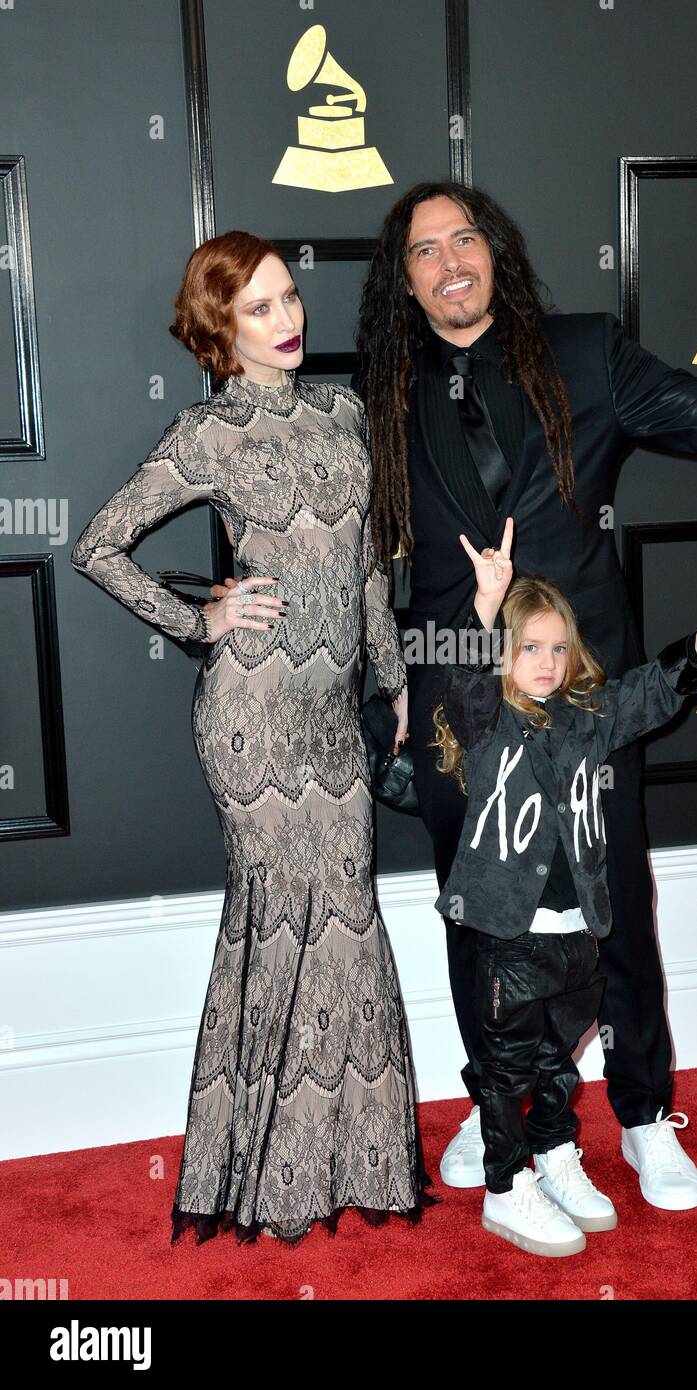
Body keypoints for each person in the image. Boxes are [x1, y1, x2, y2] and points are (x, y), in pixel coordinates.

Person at [346, 180, 697, 1208]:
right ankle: (500, 1100)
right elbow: (371, 556)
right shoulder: (383, 391)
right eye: (424, 250)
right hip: (452, 705)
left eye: (463, 237)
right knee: (479, 915)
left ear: (494, 253)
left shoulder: (587, 351)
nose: (449, 260)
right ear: (404, 278)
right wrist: (382, 688)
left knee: (612, 912)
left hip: (584, 690)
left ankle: (642, 1111)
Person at [70, 230, 436, 1244]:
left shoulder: (343, 411)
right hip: (251, 717)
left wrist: (394, 677)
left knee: (348, 917)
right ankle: (266, 1177)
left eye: (289, 299)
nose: (288, 321)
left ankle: (346, 1159)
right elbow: (97, 544)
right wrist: (202, 618)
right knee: (278, 920)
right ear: (218, 330)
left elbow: (366, 565)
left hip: (331, 715)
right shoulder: (207, 435)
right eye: (261, 309)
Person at [431, 517, 697, 1255]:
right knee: (505, 1066)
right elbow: (465, 683)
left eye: (555, 648)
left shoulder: (587, 718)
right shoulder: (487, 726)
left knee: (554, 1063)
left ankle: (554, 1155)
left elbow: (650, 694)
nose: (544, 662)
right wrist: (484, 609)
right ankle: (507, 1186)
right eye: (527, 648)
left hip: (579, 934)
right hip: (506, 936)